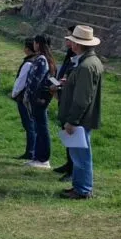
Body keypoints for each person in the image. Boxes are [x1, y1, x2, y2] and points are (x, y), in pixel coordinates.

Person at [58, 25, 104, 200]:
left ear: (77, 45)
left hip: (81, 118)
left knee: (81, 156)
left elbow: (82, 99)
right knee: (78, 155)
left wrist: (72, 120)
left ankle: (83, 189)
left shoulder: (85, 66)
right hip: (84, 117)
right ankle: (79, 186)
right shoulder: (90, 62)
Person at [24, 35, 57, 169]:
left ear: (38, 44)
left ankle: (43, 158)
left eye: (35, 43)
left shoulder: (42, 60)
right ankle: (38, 156)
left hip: (38, 99)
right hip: (40, 98)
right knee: (39, 128)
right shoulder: (47, 59)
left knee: (41, 128)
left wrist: (29, 96)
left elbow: (36, 80)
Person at [52, 25, 78, 182]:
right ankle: (69, 164)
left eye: (69, 38)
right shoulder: (71, 54)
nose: (66, 40)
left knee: (73, 135)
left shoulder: (79, 58)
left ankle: (73, 169)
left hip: (71, 101)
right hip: (64, 96)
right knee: (67, 134)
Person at [11, 38, 36, 161]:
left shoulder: (28, 63)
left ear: (27, 49)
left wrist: (14, 93)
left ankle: (30, 151)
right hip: (32, 97)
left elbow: (21, 81)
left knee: (29, 125)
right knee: (31, 125)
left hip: (24, 98)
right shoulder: (37, 60)